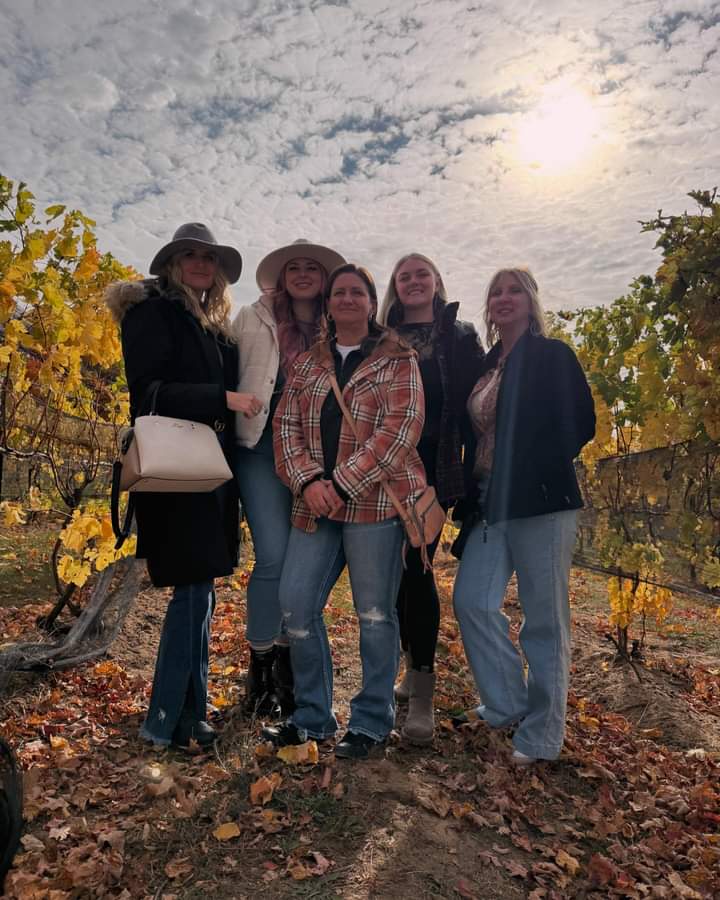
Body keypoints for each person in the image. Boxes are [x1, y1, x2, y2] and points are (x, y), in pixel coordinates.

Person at [262, 263, 427, 759]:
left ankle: (372, 722)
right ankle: (313, 717)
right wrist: (308, 481)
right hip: (316, 507)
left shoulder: (398, 358)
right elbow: (284, 425)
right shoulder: (309, 364)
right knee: (295, 606)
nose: (348, 299)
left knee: (375, 613)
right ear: (330, 304)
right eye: (340, 292)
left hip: (375, 505)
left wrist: (341, 481)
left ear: (371, 303)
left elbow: (401, 430)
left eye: (358, 292)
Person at [105, 222, 257, 749]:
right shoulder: (152, 312)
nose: (200, 263)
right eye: (190, 255)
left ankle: (191, 711)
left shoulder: (214, 325)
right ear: (172, 262)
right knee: (193, 592)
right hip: (177, 473)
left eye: (208, 257)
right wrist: (224, 399)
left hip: (211, 473)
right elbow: (148, 392)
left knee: (201, 592)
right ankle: (164, 718)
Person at [452, 267, 595, 765]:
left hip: (541, 502)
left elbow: (581, 422)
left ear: (531, 302)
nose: (505, 298)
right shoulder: (487, 365)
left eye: (515, 290)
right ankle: (507, 700)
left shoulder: (552, 356)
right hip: (490, 503)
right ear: (488, 306)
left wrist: (533, 466)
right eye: (496, 292)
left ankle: (542, 734)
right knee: (471, 599)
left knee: (544, 620)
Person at [231, 239, 346, 717]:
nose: (301, 274)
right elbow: (225, 366)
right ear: (280, 276)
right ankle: (260, 663)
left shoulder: (337, 324)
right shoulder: (253, 316)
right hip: (259, 448)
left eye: (311, 267)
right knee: (274, 558)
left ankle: (284, 665)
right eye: (292, 267)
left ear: (323, 278)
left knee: (299, 564)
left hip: (313, 455)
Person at [379, 254, 483, 744]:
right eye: (405, 276)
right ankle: (405, 668)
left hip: (432, 475)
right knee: (390, 576)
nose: (415, 281)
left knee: (418, 570)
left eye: (423, 274)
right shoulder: (382, 336)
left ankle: (423, 691)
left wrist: (461, 481)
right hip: (380, 471)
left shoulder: (459, 336)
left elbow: (471, 407)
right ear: (395, 288)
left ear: (437, 281)